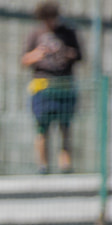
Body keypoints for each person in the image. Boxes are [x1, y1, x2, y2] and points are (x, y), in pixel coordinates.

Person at [21, 1, 82, 174]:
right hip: (42, 87)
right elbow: (24, 59)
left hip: (64, 86)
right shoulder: (35, 33)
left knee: (65, 128)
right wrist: (38, 54)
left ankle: (65, 167)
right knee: (42, 128)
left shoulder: (68, 33)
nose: (50, 23)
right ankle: (43, 167)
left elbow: (79, 55)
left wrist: (63, 51)